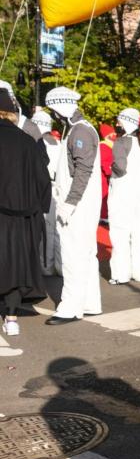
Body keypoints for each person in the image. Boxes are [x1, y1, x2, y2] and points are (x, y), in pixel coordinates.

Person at [44, 86, 102, 325]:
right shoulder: (80, 129)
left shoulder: (80, 132)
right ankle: (89, 302)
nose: (54, 116)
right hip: (82, 203)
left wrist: (69, 202)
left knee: (73, 255)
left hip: (77, 204)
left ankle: (70, 307)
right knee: (86, 254)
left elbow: (82, 171)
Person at [0, 91, 51, 337]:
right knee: (16, 264)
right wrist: (40, 209)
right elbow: (43, 179)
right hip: (21, 217)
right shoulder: (27, 141)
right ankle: (11, 317)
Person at [108, 108, 140, 285]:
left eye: (119, 121)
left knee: (120, 232)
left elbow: (120, 167)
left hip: (122, 193)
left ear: (126, 122)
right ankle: (139, 272)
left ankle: (120, 274)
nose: (117, 124)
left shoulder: (121, 142)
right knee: (138, 232)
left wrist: (110, 169)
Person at [32, 108, 60, 276]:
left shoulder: (40, 143)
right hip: (57, 188)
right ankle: (57, 265)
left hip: (44, 187)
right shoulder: (59, 142)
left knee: (45, 231)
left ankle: (45, 266)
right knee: (55, 231)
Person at [98, 123, 116, 223]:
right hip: (104, 176)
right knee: (104, 195)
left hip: (109, 175)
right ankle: (103, 215)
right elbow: (104, 161)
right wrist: (109, 173)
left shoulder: (112, 145)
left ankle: (106, 214)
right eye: (112, 133)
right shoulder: (104, 145)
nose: (115, 135)